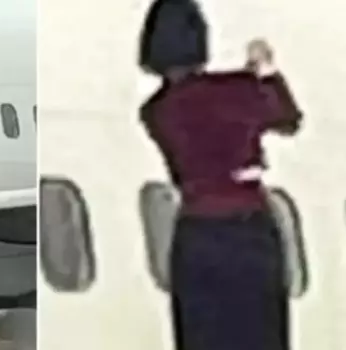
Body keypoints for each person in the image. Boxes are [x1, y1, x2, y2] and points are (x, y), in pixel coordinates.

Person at [138, 1, 303, 349]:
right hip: (249, 232)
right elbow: (288, 118)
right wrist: (266, 71)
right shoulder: (237, 89)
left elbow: (202, 116)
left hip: (196, 235)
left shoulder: (154, 111)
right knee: (261, 334)